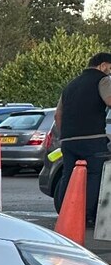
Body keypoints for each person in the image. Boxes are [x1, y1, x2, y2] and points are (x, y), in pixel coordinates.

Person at [53, 52, 111, 229]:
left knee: (69, 176)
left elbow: (57, 115)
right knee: (96, 175)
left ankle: (66, 214)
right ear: (102, 65)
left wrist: (64, 136)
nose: (110, 72)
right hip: (92, 138)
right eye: (109, 68)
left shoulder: (70, 85)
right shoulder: (102, 80)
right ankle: (86, 216)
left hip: (68, 140)